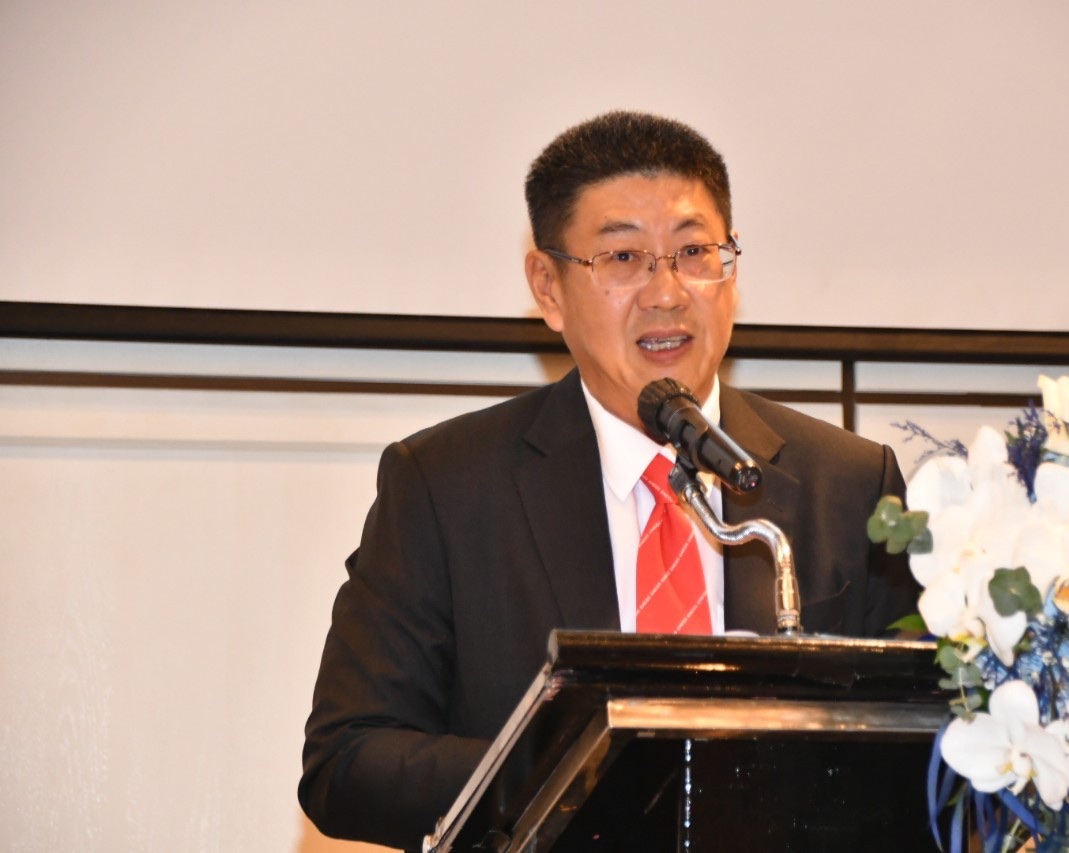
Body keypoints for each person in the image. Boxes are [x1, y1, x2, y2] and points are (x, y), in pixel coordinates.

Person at [299, 111, 918, 851]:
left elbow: (928, 745)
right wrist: (582, 773)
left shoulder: (848, 484)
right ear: (549, 287)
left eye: (695, 252)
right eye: (624, 257)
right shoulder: (446, 486)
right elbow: (348, 759)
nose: (667, 292)